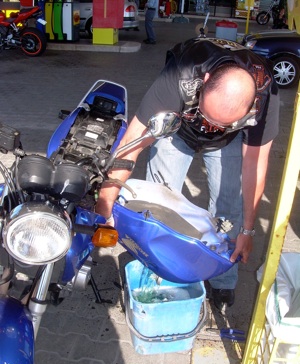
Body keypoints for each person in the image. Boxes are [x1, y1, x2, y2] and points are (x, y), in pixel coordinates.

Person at [95, 37, 279, 310]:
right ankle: (157, 271)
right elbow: (131, 144)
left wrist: (248, 231)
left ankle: (223, 281)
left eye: (222, 123)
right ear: (204, 81)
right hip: (177, 130)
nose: (212, 128)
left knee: (228, 210)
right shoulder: (180, 75)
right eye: (208, 117)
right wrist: (105, 206)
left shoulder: (265, 94)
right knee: (159, 205)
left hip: (229, 143)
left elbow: (255, 163)